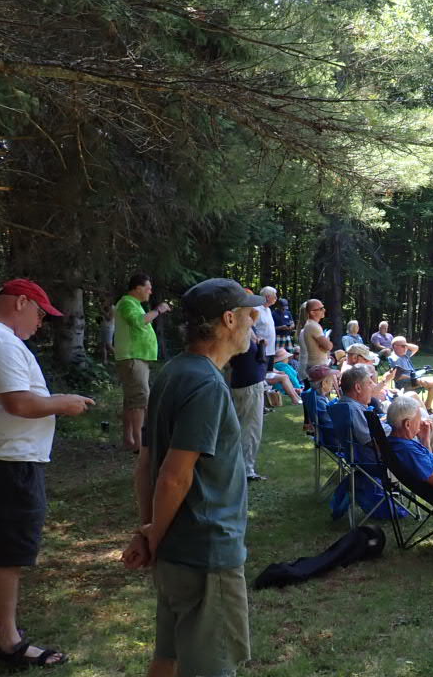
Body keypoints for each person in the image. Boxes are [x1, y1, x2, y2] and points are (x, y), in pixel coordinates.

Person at [121, 278, 263, 677]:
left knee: (168, 657)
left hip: (176, 554)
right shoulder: (205, 383)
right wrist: (152, 534)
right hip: (205, 553)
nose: (253, 322)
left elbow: (146, 463)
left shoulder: (173, 371)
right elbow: (173, 476)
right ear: (228, 319)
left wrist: (150, 531)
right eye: (249, 314)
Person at [0, 279, 94, 667]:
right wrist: (62, 403)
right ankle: (10, 643)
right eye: (40, 313)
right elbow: (18, 402)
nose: (41, 323)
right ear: (20, 303)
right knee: (5, 551)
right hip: (7, 462)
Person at [115, 272, 171, 452]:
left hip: (136, 358)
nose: (150, 291)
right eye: (148, 288)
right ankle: (140, 444)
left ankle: (130, 439)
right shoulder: (126, 303)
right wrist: (158, 310)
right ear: (138, 288)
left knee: (131, 400)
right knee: (140, 401)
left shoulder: (134, 304)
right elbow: (138, 322)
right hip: (133, 358)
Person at [385, 395, 433, 490]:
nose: (421, 423)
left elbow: (428, 461)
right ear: (407, 424)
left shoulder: (397, 442)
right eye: (419, 419)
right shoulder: (407, 450)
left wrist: (425, 439)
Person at [229, 339, 269, 481]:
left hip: (241, 382)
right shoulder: (242, 330)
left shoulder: (244, 330)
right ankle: (247, 469)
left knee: (241, 426)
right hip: (250, 384)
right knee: (252, 427)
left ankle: (237, 465)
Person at [388, 336, 433, 411]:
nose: (405, 348)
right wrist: (414, 378)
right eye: (403, 346)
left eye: (406, 346)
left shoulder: (404, 354)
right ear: (395, 346)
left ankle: (426, 406)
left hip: (413, 379)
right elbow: (397, 377)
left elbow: (416, 348)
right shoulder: (394, 358)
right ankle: (427, 407)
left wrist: (405, 344)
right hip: (405, 384)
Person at [298, 299, 332, 369]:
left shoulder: (311, 326)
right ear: (312, 312)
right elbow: (328, 347)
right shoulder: (312, 326)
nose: (324, 310)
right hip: (315, 368)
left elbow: (325, 348)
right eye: (321, 309)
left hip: (312, 367)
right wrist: (326, 343)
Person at [252, 286, 278, 364]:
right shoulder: (256, 309)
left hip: (271, 350)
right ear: (267, 297)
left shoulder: (269, 310)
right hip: (261, 350)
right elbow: (251, 328)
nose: (276, 298)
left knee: (270, 373)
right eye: (275, 295)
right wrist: (257, 339)